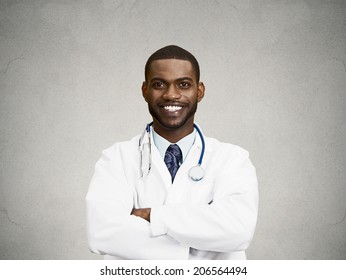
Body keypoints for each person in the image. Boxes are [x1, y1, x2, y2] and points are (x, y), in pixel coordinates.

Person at [86, 45, 258, 260]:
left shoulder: (232, 159)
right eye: (159, 84)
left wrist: (153, 216)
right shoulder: (116, 158)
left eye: (184, 84)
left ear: (200, 91)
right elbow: (102, 234)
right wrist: (200, 241)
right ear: (145, 91)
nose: (171, 95)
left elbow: (238, 231)